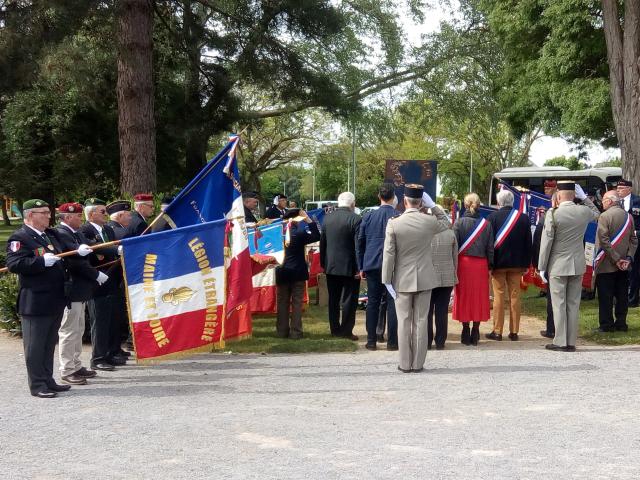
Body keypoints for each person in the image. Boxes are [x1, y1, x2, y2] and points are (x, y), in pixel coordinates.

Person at [5, 199, 71, 398]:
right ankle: (37, 384)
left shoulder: (46, 236)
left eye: (48, 212)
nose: (48, 215)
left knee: (49, 343)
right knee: (35, 346)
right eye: (43, 212)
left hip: (54, 298)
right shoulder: (20, 237)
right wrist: (41, 262)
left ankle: (48, 379)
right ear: (30, 215)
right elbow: (15, 264)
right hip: (35, 301)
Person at [381, 184, 450, 372]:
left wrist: (387, 279)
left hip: (402, 279)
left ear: (404, 201)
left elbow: (389, 254)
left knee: (403, 321)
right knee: (421, 321)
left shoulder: (394, 223)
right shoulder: (429, 221)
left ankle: (404, 364)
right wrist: (433, 205)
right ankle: (418, 363)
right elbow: (446, 222)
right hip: (426, 277)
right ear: (421, 203)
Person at [538, 181, 600, 351]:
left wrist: (542, 266)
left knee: (559, 304)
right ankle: (571, 341)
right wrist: (585, 198)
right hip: (578, 264)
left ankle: (560, 341)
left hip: (558, 265)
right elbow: (597, 213)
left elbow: (547, 242)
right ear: (574, 195)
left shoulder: (553, 213)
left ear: (558, 195)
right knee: (573, 304)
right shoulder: (583, 211)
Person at [54, 202, 106, 385]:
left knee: (78, 329)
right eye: (77, 216)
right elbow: (73, 261)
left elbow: (92, 245)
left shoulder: (75, 233)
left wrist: (117, 249)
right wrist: (96, 274)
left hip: (80, 289)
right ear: (67, 217)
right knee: (69, 330)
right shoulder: (61, 233)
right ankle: (67, 369)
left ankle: (76, 364)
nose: (80, 219)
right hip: (71, 289)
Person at [79, 198, 125, 370]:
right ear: (91, 214)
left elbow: (113, 252)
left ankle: (112, 352)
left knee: (113, 318)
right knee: (100, 321)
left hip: (112, 279)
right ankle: (98, 358)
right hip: (96, 281)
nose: (106, 214)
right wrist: (116, 250)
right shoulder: (85, 230)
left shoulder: (107, 229)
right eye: (102, 211)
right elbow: (94, 250)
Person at [485, 189, 532, 341]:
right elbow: (528, 244)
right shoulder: (523, 218)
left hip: (498, 264)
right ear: (513, 202)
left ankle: (497, 331)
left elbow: (490, 244)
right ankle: (514, 332)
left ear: (499, 202)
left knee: (498, 297)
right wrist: (526, 265)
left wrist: (490, 264)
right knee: (515, 296)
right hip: (517, 264)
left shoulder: (492, 217)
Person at [357, 182, 399, 351]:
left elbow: (360, 242)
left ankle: (371, 340)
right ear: (394, 197)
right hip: (394, 265)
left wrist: (361, 266)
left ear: (379, 196)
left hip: (372, 263)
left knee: (373, 302)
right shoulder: (398, 216)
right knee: (393, 302)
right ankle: (392, 342)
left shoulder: (368, 216)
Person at [452, 193, 494, 346]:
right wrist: (490, 267)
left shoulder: (458, 223)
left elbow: (454, 246)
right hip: (480, 265)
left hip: (463, 264)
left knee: (464, 297)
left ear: (465, 205)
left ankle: (465, 330)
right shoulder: (487, 224)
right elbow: (490, 249)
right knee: (478, 298)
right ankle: (476, 331)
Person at [320, 191, 361, 340]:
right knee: (349, 300)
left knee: (333, 299)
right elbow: (358, 246)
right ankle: (346, 330)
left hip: (331, 265)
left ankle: (334, 329)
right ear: (353, 204)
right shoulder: (356, 219)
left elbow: (322, 243)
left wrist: (323, 263)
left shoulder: (327, 219)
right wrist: (359, 266)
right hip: (350, 266)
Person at [594, 190, 637, 332]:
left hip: (606, 263)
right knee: (622, 295)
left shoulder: (604, 216)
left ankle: (606, 324)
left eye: (604, 199)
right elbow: (633, 240)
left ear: (611, 201)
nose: (602, 202)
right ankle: (621, 323)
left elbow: (604, 240)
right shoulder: (629, 217)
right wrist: (628, 257)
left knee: (606, 296)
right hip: (624, 263)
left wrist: (615, 258)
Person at [275, 209, 321, 339]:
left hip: (282, 271)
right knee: (296, 303)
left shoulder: (278, 234)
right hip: (298, 272)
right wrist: (308, 220)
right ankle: (296, 332)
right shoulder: (300, 233)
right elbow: (317, 236)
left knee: (282, 303)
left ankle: (281, 331)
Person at [533, 193, 559, 338]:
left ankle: (551, 329)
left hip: (553, 264)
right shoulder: (577, 215)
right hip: (573, 265)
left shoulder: (548, 217)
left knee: (553, 299)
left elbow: (539, 242)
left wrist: (538, 264)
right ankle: (567, 330)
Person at [427, 228, 458, 350]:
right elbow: (455, 257)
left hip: (427, 277)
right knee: (442, 311)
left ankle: (427, 341)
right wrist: (454, 273)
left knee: (426, 312)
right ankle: (440, 341)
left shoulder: (424, 232)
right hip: (446, 276)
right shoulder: (450, 233)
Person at [616, 179, 640, 306]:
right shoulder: (615, 202)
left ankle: (633, 299)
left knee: (633, 270)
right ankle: (621, 296)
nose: (618, 190)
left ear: (629, 189)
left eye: (621, 188)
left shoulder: (637, 201)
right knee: (620, 268)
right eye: (617, 188)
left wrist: (637, 233)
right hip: (619, 241)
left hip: (635, 241)